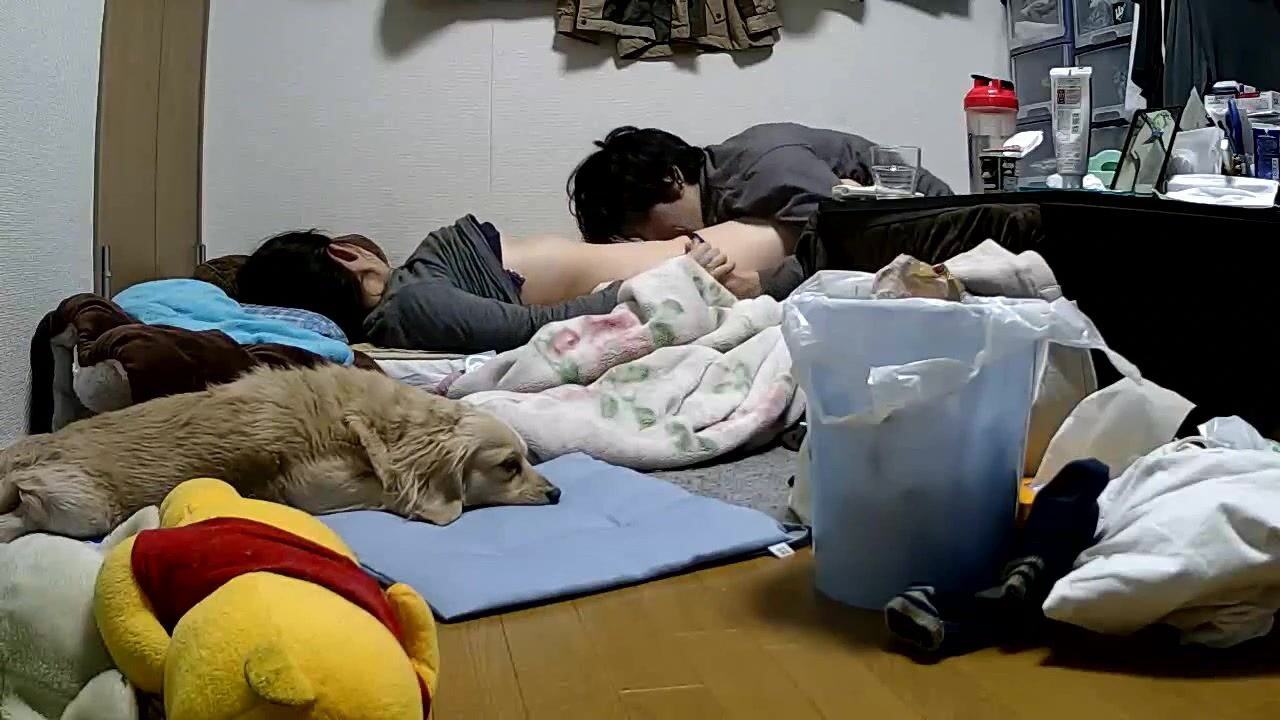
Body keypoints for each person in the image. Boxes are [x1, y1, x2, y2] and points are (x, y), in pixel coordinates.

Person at [236, 217, 786, 353]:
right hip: (664, 265)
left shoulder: (409, 293)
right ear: (344, 253)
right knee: (796, 243)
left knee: (794, 244)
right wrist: (672, 281)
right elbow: (533, 327)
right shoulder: (409, 305)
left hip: (655, 257)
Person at [567, 122, 955, 298]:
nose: (646, 242)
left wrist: (760, 285)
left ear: (672, 179)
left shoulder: (765, 171)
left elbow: (861, 242)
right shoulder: (726, 189)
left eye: (638, 228)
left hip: (939, 231)